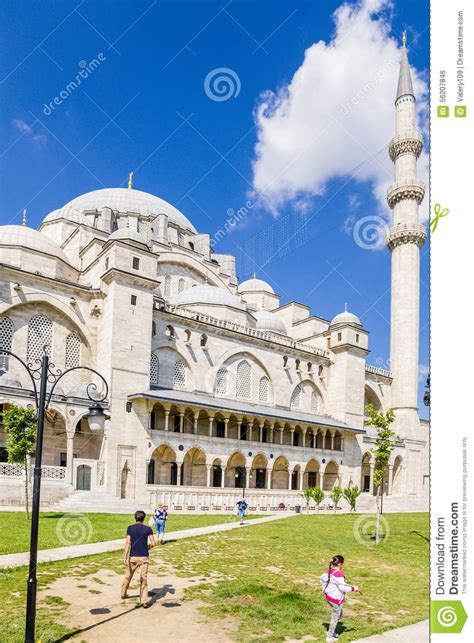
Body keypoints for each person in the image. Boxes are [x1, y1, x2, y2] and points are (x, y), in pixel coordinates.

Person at [319, 555, 360, 642]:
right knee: (336, 616)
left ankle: (331, 630)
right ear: (340, 564)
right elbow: (342, 588)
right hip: (336, 599)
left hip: (329, 597)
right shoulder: (339, 574)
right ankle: (329, 636)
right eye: (343, 564)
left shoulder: (328, 571)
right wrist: (354, 588)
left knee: (339, 613)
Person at [121, 510, 156, 608]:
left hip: (133, 556)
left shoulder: (130, 528)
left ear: (135, 518)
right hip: (144, 557)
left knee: (128, 576)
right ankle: (144, 601)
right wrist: (147, 547)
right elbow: (153, 543)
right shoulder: (148, 529)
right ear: (144, 519)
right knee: (143, 579)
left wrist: (125, 557)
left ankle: (123, 593)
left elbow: (128, 542)